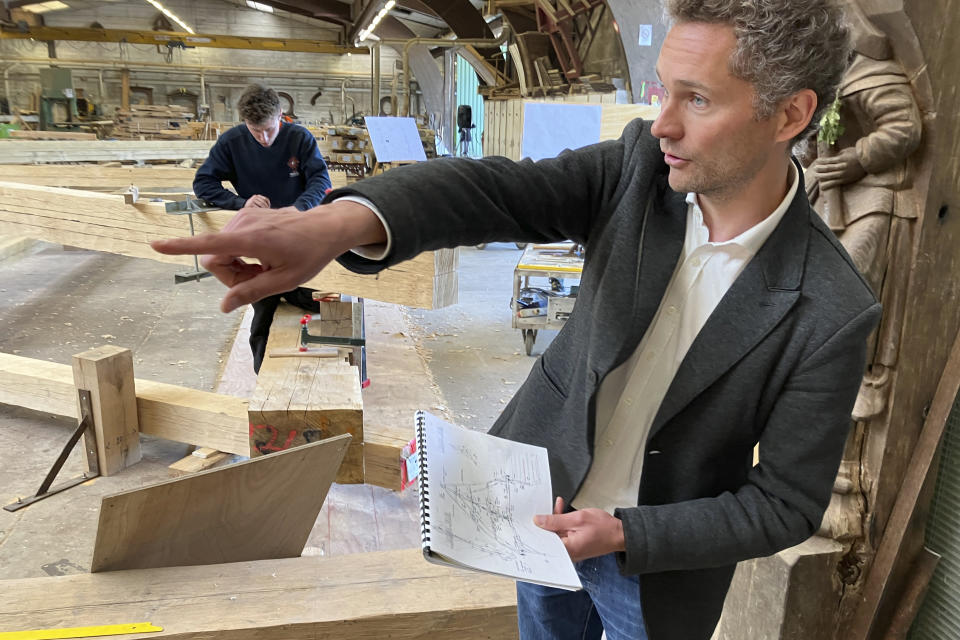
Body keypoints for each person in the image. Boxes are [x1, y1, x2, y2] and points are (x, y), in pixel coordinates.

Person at [154, 1, 880, 637]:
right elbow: (492, 190)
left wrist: (628, 532)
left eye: (697, 100)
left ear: (791, 114)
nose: (661, 122)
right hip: (541, 502)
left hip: (656, 569)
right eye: (664, 89)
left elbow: (784, 504)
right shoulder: (635, 176)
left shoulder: (828, 308)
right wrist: (339, 223)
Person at [193, 84, 332, 373]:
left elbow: (320, 179)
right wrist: (240, 203)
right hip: (261, 242)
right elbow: (203, 183)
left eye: (270, 129)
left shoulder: (299, 138)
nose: (265, 138)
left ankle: (332, 367)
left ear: (281, 115)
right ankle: (264, 377)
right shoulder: (232, 142)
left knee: (322, 301)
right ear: (245, 123)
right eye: (256, 132)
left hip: (301, 232)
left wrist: (298, 208)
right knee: (264, 310)